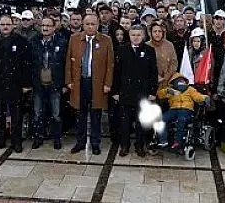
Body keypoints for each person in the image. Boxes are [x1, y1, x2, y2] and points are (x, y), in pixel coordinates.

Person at [66, 14, 114, 155]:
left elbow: (110, 65)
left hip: (97, 83)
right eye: (87, 24)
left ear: (98, 25)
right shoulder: (74, 39)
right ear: (83, 24)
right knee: (80, 114)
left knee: (95, 115)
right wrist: (68, 81)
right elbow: (69, 60)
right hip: (80, 82)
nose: (90, 27)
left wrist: (108, 83)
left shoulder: (106, 40)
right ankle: (80, 142)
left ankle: (95, 143)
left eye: (93, 24)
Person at [0, 15, 33, 153]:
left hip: (15, 84)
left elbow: (26, 65)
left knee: (16, 115)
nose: (5, 26)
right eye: (2, 24)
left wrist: (26, 84)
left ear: (13, 25)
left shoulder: (21, 42)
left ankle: (16, 142)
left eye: (8, 24)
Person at [112, 25, 158, 157]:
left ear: (143, 36)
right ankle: (124, 146)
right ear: (129, 35)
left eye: (138, 35)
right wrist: (115, 91)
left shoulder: (149, 50)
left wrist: (152, 92)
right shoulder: (122, 50)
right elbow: (117, 72)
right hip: (125, 91)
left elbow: (153, 73)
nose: (136, 37)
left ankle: (139, 145)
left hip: (142, 92)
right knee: (125, 121)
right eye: (133, 35)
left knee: (141, 121)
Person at [30, 16, 68, 150]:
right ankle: (38, 137)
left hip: (55, 84)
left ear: (54, 27)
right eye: (43, 26)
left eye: (48, 26)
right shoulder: (34, 41)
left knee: (56, 114)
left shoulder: (61, 42)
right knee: (37, 113)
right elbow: (30, 64)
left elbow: (65, 64)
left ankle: (57, 138)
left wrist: (64, 83)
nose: (45, 28)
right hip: (38, 85)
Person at [156, 73, 209, 150]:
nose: (181, 83)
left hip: (186, 109)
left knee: (181, 119)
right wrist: (167, 91)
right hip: (174, 109)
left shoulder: (190, 89)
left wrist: (205, 97)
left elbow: (198, 97)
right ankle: (163, 140)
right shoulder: (172, 91)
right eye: (179, 82)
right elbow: (160, 95)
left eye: (182, 81)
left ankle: (178, 141)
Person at [147, 22, 178, 89]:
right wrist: (157, 77)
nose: (157, 33)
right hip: (151, 82)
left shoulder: (169, 45)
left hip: (168, 81)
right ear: (151, 33)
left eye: (159, 31)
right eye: (155, 31)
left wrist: (167, 76)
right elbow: (145, 65)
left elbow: (174, 62)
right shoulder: (146, 46)